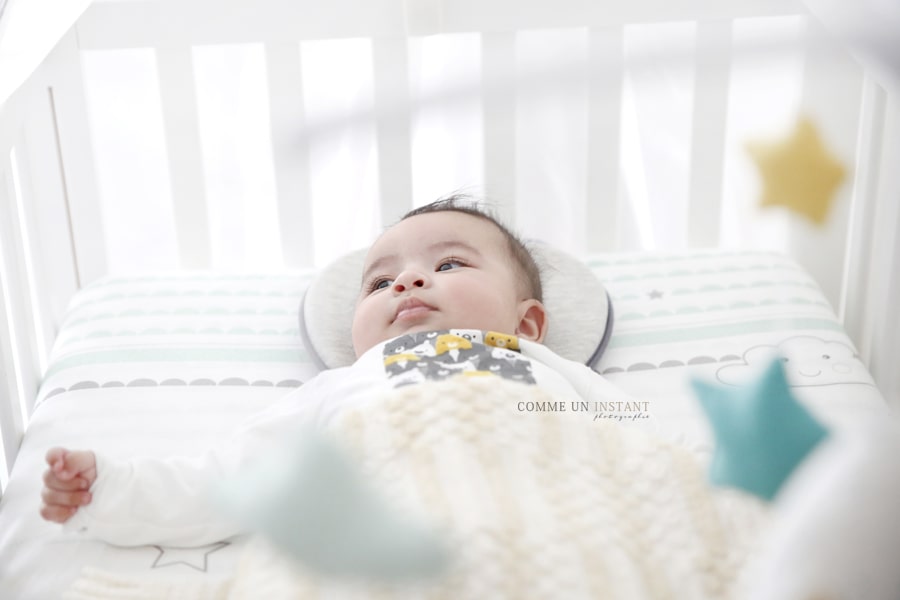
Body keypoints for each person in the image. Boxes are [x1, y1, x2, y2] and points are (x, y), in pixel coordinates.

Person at [40, 195, 628, 548]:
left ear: (526, 325)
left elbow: (634, 448)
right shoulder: (346, 386)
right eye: (379, 282)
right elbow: (232, 477)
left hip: (536, 527)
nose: (407, 281)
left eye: (449, 263)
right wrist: (112, 490)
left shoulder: (539, 366)